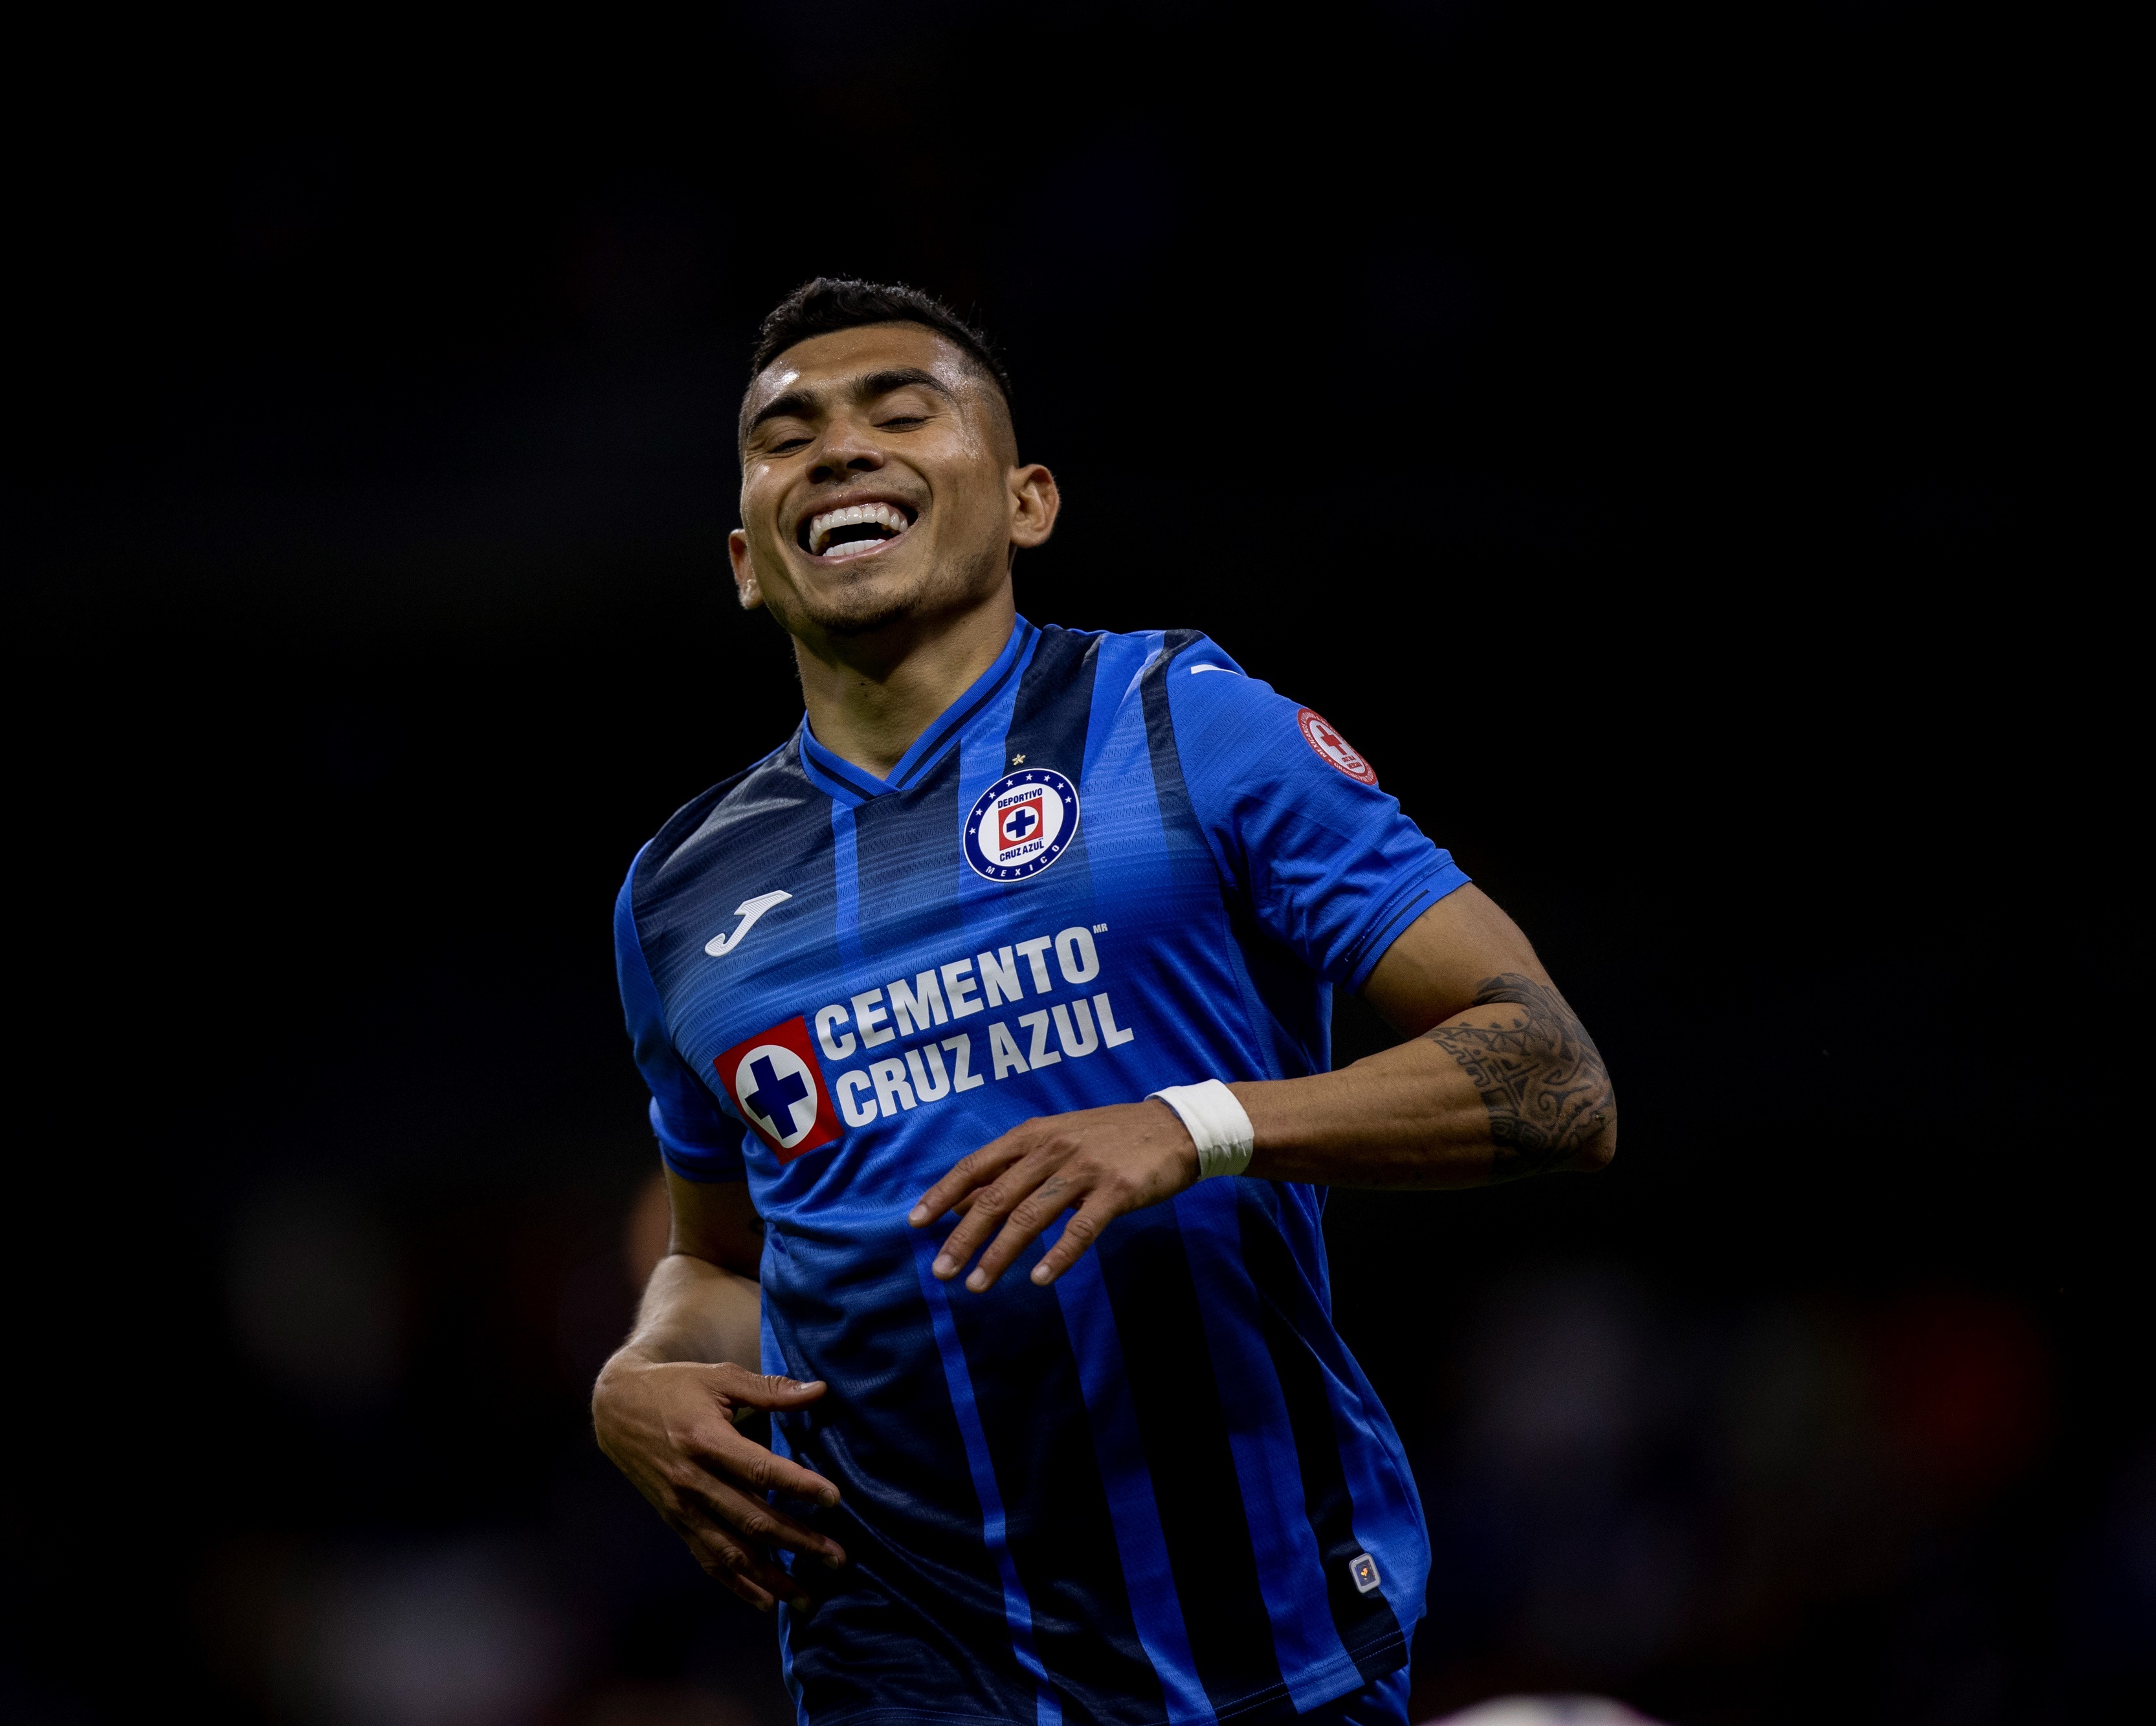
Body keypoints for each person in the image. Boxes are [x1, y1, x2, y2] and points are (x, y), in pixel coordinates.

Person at [592, 278, 1617, 1726]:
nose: (837, 449)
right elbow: (716, 1261)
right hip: (892, 1651)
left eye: (902, 409)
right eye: (787, 435)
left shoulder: (1179, 722)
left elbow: (1555, 1076)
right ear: (746, 559)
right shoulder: (677, 891)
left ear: (1027, 502)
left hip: (1249, 1633)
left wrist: (1184, 1126)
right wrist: (638, 1373)